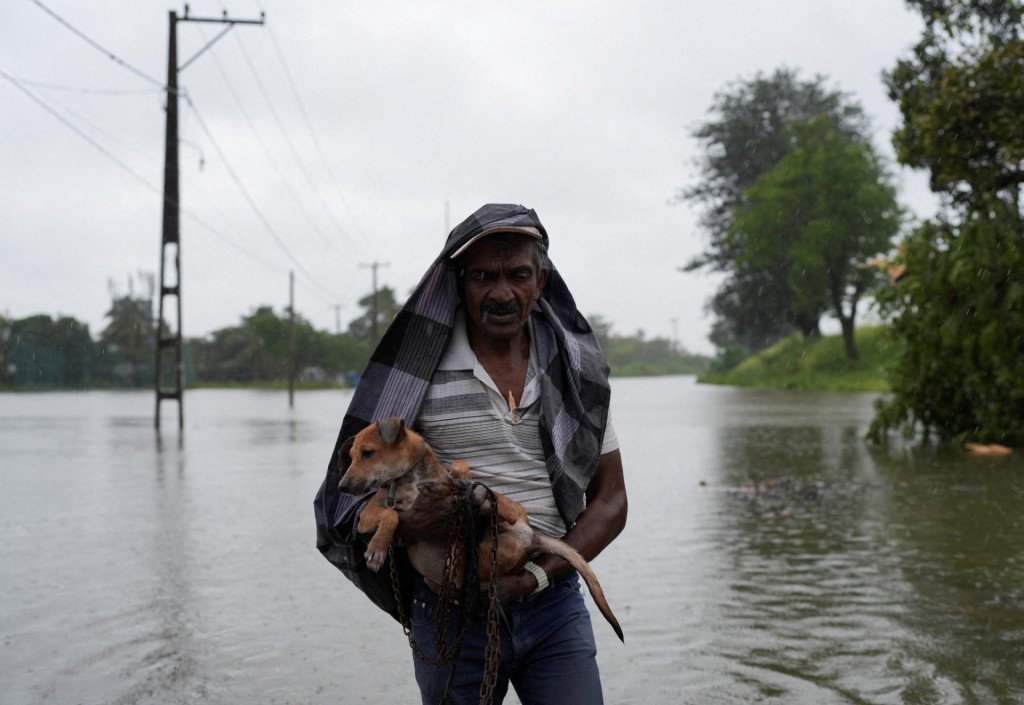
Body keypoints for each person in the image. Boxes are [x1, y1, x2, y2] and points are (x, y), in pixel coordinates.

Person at [314, 203, 627, 705]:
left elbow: (612, 502)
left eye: (517, 275)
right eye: (484, 276)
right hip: (448, 607)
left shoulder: (574, 373)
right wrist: (418, 521)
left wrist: (534, 579)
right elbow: (348, 498)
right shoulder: (414, 376)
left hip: (553, 600)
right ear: (460, 284)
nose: (502, 292)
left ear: (540, 280)